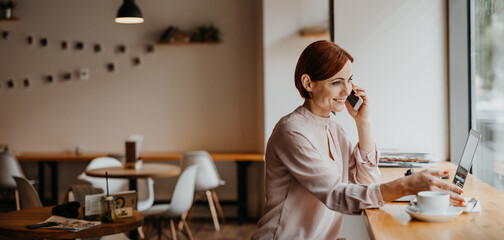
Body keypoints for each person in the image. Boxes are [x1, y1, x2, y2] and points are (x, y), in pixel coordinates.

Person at [251, 40, 464, 240]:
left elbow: (366, 181)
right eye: (336, 82)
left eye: (349, 80)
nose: (346, 91)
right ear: (308, 83)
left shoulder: (334, 125)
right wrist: (406, 186)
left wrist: (363, 124)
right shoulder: (292, 132)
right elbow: (336, 195)